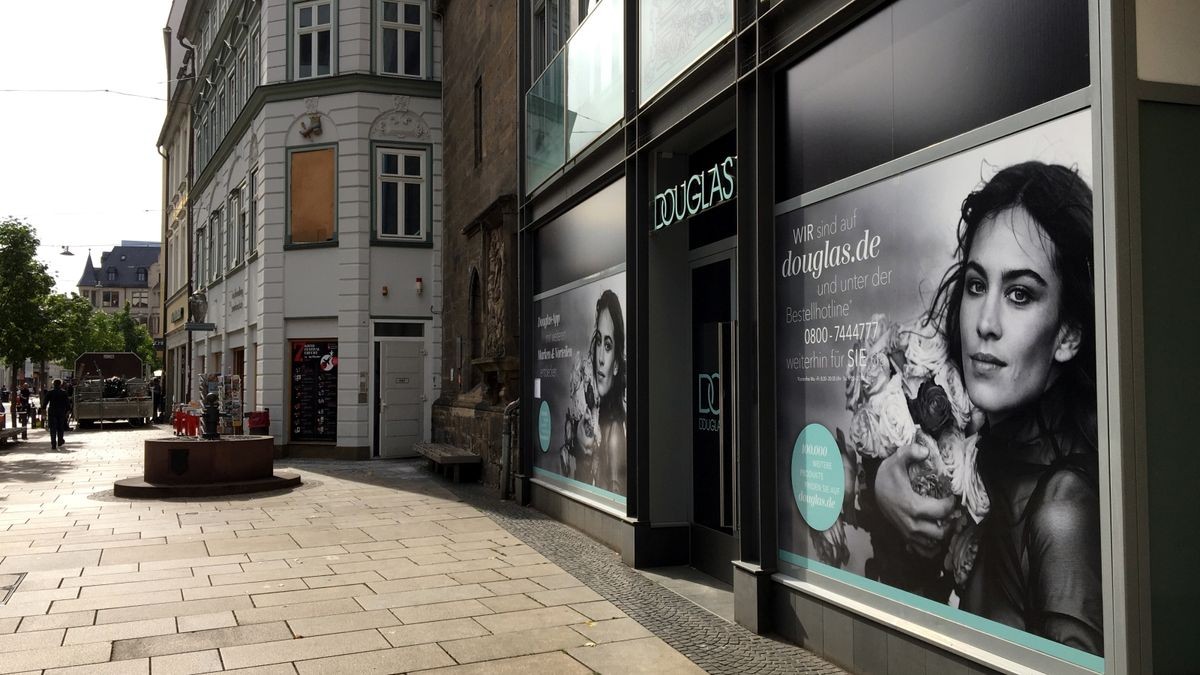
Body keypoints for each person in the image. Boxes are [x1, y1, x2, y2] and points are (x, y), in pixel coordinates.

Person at [875, 162, 1101, 654]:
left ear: (1069, 333)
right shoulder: (991, 463)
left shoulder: (1061, 509)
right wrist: (887, 490)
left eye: (1020, 294)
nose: (985, 322)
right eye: (977, 286)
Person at [589, 289, 627, 494]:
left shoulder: (614, 434)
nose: (601, 357)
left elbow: (617, 495)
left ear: (616, 364)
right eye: (598, 341)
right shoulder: (599, 420)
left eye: (608, 345)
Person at [41, 379, 71, 450]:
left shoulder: (50, 392)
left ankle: (53, 443)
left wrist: (43, 412)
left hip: (52, 412)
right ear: (60, 384)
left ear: (53, 384)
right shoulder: (63, 393)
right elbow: (67, 404)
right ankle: (60, 440)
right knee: (60, 427)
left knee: (52, 428)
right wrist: (67, 411)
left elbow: (45, 403)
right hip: (61, 412)